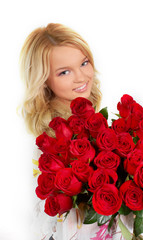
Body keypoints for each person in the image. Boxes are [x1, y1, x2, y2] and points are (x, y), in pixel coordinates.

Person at [19, 23, 132, 240]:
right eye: (64, 72)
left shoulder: (91, 123)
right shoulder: (48, 143)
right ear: (44, 82)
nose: (81, 77)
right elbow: (52, 221)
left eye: (84, 62)